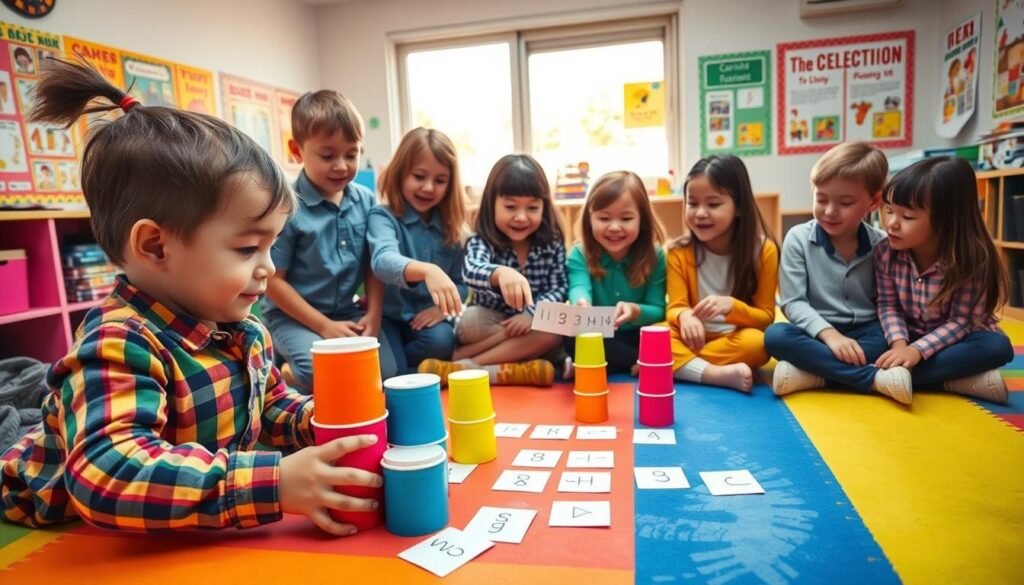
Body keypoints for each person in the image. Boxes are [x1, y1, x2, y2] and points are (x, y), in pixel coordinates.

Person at [1, 58, 381, 535]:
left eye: (270, 245)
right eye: (247, 248)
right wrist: (275, 482)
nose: (266, 267)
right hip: (59, 520)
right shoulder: (118, 342)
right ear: (156, 246)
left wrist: (334, 422)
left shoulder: (243, 327)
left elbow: (270, 407)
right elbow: (108, 474)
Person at [262, 90, 395, 389]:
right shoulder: (287, 207)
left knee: (384, 372)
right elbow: (272, 282)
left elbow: (375, 265)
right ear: (297, 151)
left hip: (345, 312)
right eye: (327, 155)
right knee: (322, 373)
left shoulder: (366, 199)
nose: (341, 165)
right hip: (291, 316)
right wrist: (322, 326)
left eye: (352, 154)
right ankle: (287, 374)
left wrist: (373, 314)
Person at [765, 142, 909, 401]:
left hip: (867, 333)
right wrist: (830, 335)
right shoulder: (798, 238)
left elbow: (889, 305)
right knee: (776, 336)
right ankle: (873, 379)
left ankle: (815, 375)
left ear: (874, 201)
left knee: (889, 342)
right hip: (816, 333)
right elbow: (793, 302)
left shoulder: (882, 245)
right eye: (821, 199)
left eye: (845, 202)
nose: (830, 211)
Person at [874, 157, 1013, 403]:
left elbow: (961, 322)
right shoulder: (885, 252)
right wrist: (899, 344)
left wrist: (917, 351)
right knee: (867, 339)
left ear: (946, 219)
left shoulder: (971, 259)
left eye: (907, 217)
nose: (891, 224)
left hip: (956, 340)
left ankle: (874, 378)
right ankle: (955, 381)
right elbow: (888, 305)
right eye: (889, 211)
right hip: (907, 336)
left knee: (997, 347)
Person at [419, 154, 566, 386]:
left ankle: (467, 366)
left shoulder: (552, 241)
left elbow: (559, 287)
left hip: (532, 324)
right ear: (492, 204)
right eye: (510, 207)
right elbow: (471, 270)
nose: (521, 217)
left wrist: (531, 314)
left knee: (554, 330)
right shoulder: (482, 240)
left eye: (532, 208)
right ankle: (513, 367)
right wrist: (499, 273)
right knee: (469, 322)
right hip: (491, 325)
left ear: (544, 207)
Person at [666, 155, 778, 393]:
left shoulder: (764, 251)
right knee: (655, 335)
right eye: (692, 203)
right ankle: (716, 375)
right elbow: (675, 307)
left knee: (759, 344)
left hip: (734, 338)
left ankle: (677, 367)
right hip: (690, 337)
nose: (700, 213)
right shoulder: (678, 252)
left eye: (713, 204)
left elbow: (766, 317)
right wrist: (686, 317)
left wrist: (732, 307)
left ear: (738, 207)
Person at [368, 128, 467, 374]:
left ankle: (404, 367)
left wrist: (441, 310)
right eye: (419, 176)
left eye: (440, 181)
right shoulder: (383, 216)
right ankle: (403, 368)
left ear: (450, 184)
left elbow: (462, 282)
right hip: (387, 317)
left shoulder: (453, 228)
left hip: (425, 319)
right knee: (391, 372)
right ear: (400, 174)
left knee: (442, 340)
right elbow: (382, 260)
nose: (429, 187)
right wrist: (427, 271)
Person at [565, 170, 666, 375]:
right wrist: (581, 303)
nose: (614, 227)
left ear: (642, 220)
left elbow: (658, 308)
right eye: (603, 218)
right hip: (599, 334)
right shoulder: (578, 254)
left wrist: (635, 311)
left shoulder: (656, 256)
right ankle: (636, 363)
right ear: (589, 219)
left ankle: (597, 363)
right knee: (569, 337)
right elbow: (579, 286)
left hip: (639, 335)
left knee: (665, 334)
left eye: (626, 218)